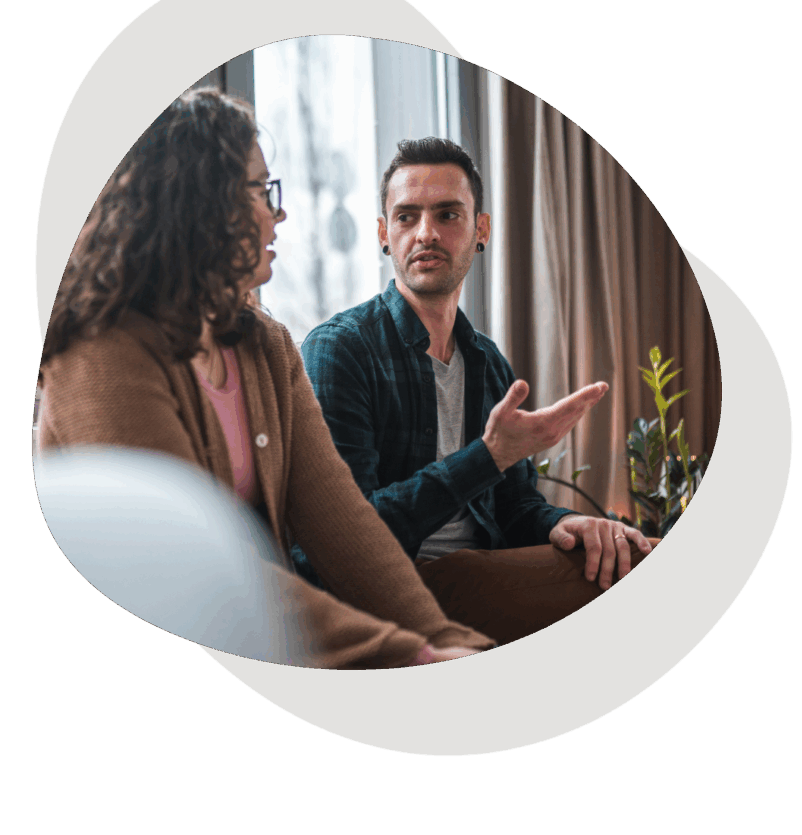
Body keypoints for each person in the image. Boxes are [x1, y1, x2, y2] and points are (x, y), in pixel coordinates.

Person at [37, 91, 494, 669]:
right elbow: (196, 577)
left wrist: (450, 642)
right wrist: (411, 654)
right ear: (199, 204)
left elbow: (347, 528)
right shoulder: (103, 351)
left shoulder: (264, 344)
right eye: (262, 191)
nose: (279, 214)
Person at [299, 137, 655, 645]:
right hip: (396, 595)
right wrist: (486, 457)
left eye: (448, 214)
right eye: (406, 217)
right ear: (383, 233)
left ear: (480, 229)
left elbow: (515, 509)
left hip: (485, 574)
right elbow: (347, 540)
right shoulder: (340, 352)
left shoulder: (487, 363)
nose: (425, 233)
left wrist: (569, 522)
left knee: (631, 551)